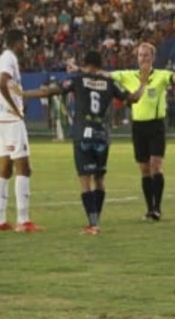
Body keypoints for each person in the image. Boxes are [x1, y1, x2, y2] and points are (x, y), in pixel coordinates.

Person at [43, 51, 146, 234]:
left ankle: (93, 223)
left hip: (83, 134)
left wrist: (25, 94)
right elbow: (134, 98)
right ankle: (96, 219)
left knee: (85, 181)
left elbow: (53, 91)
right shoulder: (109, 82)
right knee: (99, 179)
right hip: (102, 136)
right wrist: (143, 83)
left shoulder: (78, 79)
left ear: (85, 63)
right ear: (101, 64)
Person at [110, 43, 175, 221]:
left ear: (153, 58)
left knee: (156, 166)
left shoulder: (161, 75)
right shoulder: (129, 76)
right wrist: (81, 70)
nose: (143, 58)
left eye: (146, 55)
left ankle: (157, 208)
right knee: (144, 170)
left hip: (156, 126)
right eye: (140, 55)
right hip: (138, 127)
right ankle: (149, 208)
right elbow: (105, 74)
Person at [0, 29, 42, 233]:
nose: (26, 47)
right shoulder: (8, 59)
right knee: (24, 167)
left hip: (1, 118)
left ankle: (0, 220)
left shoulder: (0, 60)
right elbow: (3, 82)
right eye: (25, 43)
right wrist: (14, 107)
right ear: (17, 42)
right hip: (11, 119)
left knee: (4, 168)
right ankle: (23, 220)